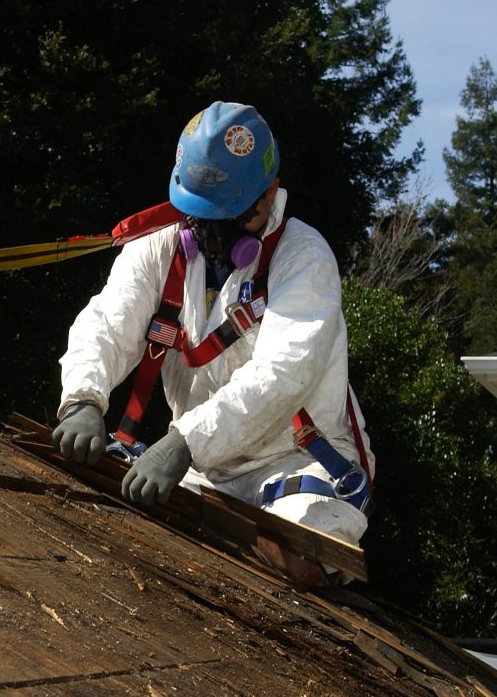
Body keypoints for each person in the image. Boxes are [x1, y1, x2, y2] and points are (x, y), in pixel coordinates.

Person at [51, 101, 374, 574]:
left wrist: (184, 441)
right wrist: (82, 399)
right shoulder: (160, 247)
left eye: (230, 217)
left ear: (270, 193)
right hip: (199, 472)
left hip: (294, 464)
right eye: (201, 216)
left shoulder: (303, 258)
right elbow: (107, 320)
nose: (212, 234)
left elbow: (282, 375)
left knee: (296, 558)